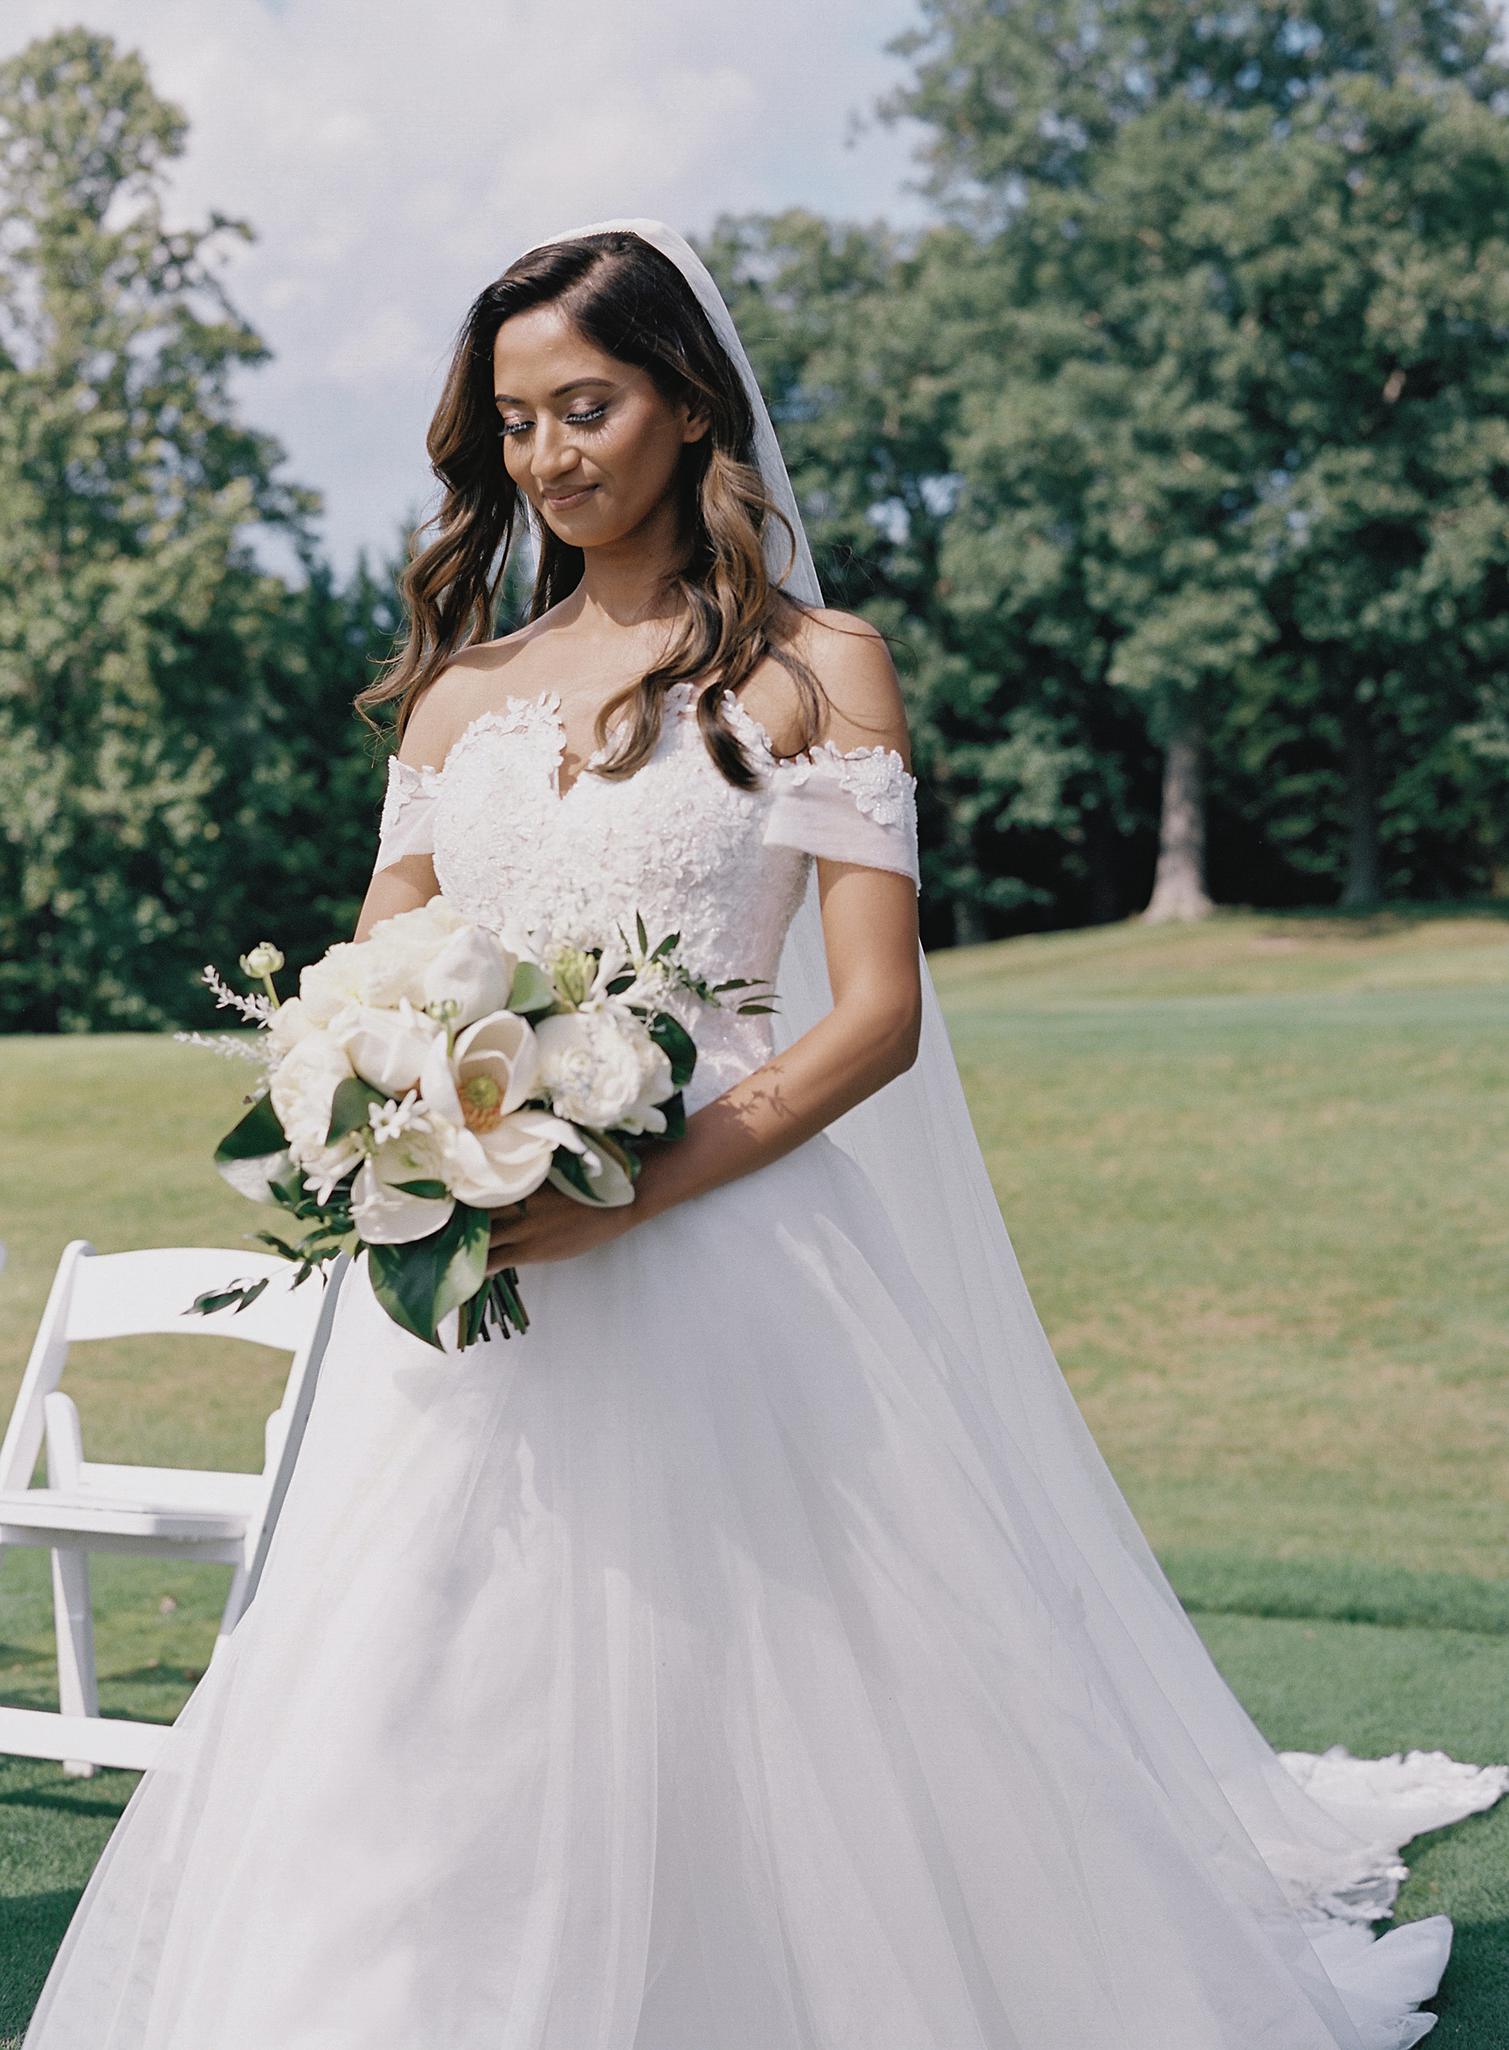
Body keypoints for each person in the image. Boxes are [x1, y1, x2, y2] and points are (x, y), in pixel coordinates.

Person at [21, 218, 1506, 2050]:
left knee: (781, 1696)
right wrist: (389, 1108)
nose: (551, 456)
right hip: (470, 1282)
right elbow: (378, 958)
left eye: (588, 406)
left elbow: (871, 1017)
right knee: (410, 1674)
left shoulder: (817, 669)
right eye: (513, 421)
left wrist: (631, 1186)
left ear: (684, 405)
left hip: (728, 1252)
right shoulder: (459, 692)